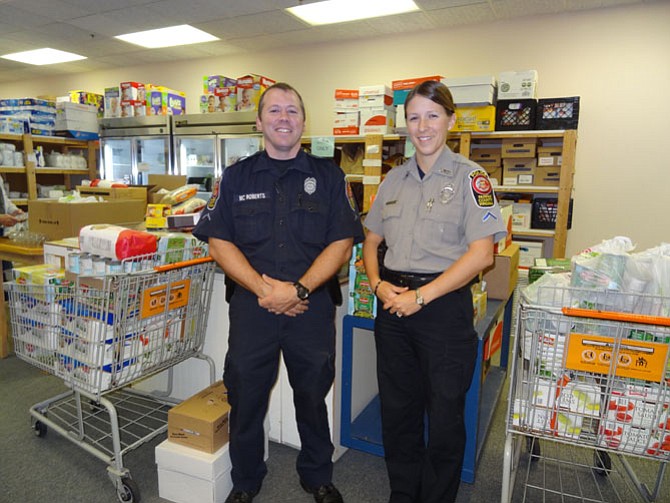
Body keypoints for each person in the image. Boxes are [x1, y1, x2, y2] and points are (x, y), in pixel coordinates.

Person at [192, 82, 363, 503]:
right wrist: (264, 289)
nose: (283, 118)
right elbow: (218, 242)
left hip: (311, 307)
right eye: (274, 110)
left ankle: (317, 475)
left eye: (292, 111)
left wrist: (299, 289)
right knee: (246, 396)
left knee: (312, 394)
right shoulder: (235, 177)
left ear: (304, 122)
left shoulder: (329, 176)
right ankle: (246, 480)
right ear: (259, 121)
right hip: (253, 309)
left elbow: (342, 241)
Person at [362, 80, 507, 503]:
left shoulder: (471, 179)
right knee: (398, 410)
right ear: (404, 124)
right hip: (392, 307)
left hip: (442, 309)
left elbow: (482, 256)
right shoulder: (393, 181)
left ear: (450, 120)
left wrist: (421, 297)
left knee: (444, 415)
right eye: (413, 117)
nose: (422, 126)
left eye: (432, 115)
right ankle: (403, 494)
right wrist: (376, 284)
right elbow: (371, 242)